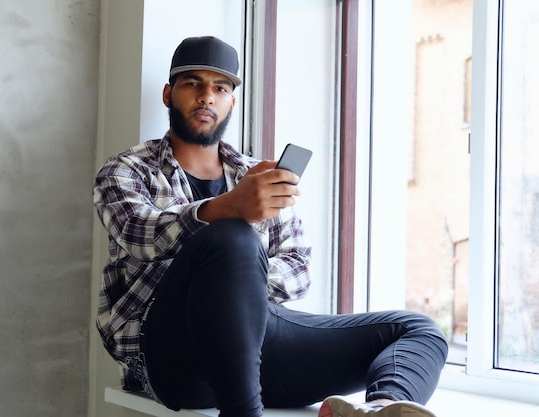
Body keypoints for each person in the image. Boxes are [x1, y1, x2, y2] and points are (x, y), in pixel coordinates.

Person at [93, 35, 448, 417]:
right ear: (168, 94)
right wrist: (227, 212)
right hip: (169, 352)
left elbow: (298, 268)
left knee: (416, 328)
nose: (206, 97)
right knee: (232, 237)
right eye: (192, 83)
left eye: (220, 87)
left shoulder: (257, 176)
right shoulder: (127, 169)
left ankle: (380, 408)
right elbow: (136, 233)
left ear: (232, 102)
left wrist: (238, 279)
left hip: (256, 343)